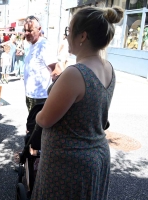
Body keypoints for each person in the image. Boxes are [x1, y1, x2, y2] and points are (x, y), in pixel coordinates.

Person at [32, 6, 123, 199]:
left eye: (68, 30)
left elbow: (45, 120)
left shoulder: (75, 73)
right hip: (96, 157)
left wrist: (37, 113)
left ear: (82, 36)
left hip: (69, 166)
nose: (66, 36)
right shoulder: (109, 68)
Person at [23, 16, 60, 112]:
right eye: (25, 30)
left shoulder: (44, 46)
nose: (26, 33)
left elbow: (56, 71)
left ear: (39, 29)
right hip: (31, 95)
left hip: (41, 98)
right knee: (32, 125)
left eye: (30, 30)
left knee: (37, 126)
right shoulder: (32, 45)